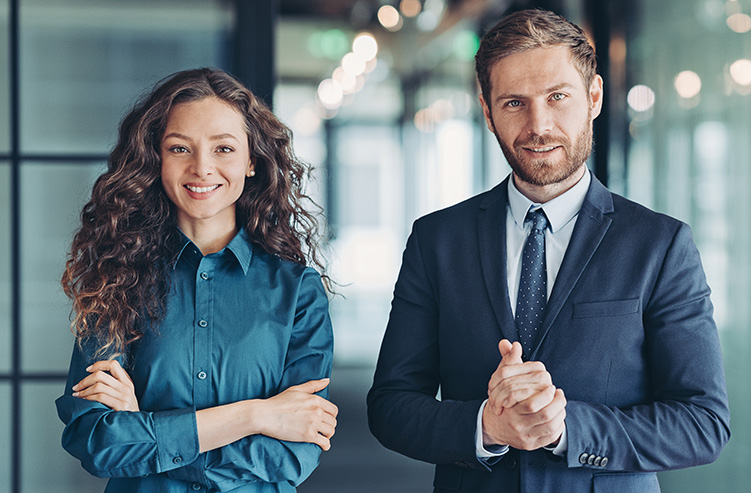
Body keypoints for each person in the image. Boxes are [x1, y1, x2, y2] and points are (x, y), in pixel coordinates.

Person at [367, 9, 730, 492]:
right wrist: (487, 429)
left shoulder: (660, 245)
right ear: (486, 109)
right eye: (514, 102)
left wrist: (565, 429)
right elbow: (391, 404)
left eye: (557, 97)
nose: (539, 126)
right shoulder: (437, 240)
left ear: (594, 97)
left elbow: (703, 423)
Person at [56, 68, 338, 493]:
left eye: (223, 148)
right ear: (157, 159)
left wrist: (146, 431)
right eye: (179, 148)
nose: (202, 168)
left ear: (251, 161)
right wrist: (255, 416)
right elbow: (97, 441)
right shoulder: (115, 279)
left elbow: (294, 454)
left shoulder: (297, 291)